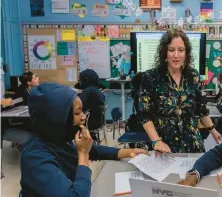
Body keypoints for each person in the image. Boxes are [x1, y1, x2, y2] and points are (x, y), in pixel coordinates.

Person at [20, 83, 148, 197]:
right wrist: (83, 154)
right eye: (77, 113)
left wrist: (129, 152)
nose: (83, 117)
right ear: (56, 119)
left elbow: (93, 149)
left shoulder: (58, 137)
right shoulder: (35, 157)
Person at [138, 28, 221, 153]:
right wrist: (156, 141)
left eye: (181, 50)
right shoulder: (151, 77)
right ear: (164, 52)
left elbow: (200, 108)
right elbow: (144, 115)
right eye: (171, 50)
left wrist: (213, 131)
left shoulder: (193, 75)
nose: (176, 55)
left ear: (186, 53)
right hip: (164, 145)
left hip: (193, 144)